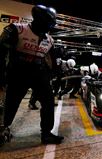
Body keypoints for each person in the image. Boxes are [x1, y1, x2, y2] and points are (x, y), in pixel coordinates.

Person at [0, 5, 64, 145]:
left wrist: (53, 74)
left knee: (48, 101)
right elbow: (1, 52)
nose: (49, 28)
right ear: (38, 20)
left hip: (38, 72)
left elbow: (52, 60)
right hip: (18, 71)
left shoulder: (50, 40)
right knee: (11, 103)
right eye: (47, 24)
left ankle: (46, 134)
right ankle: (3, 128)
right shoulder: (16, 29)